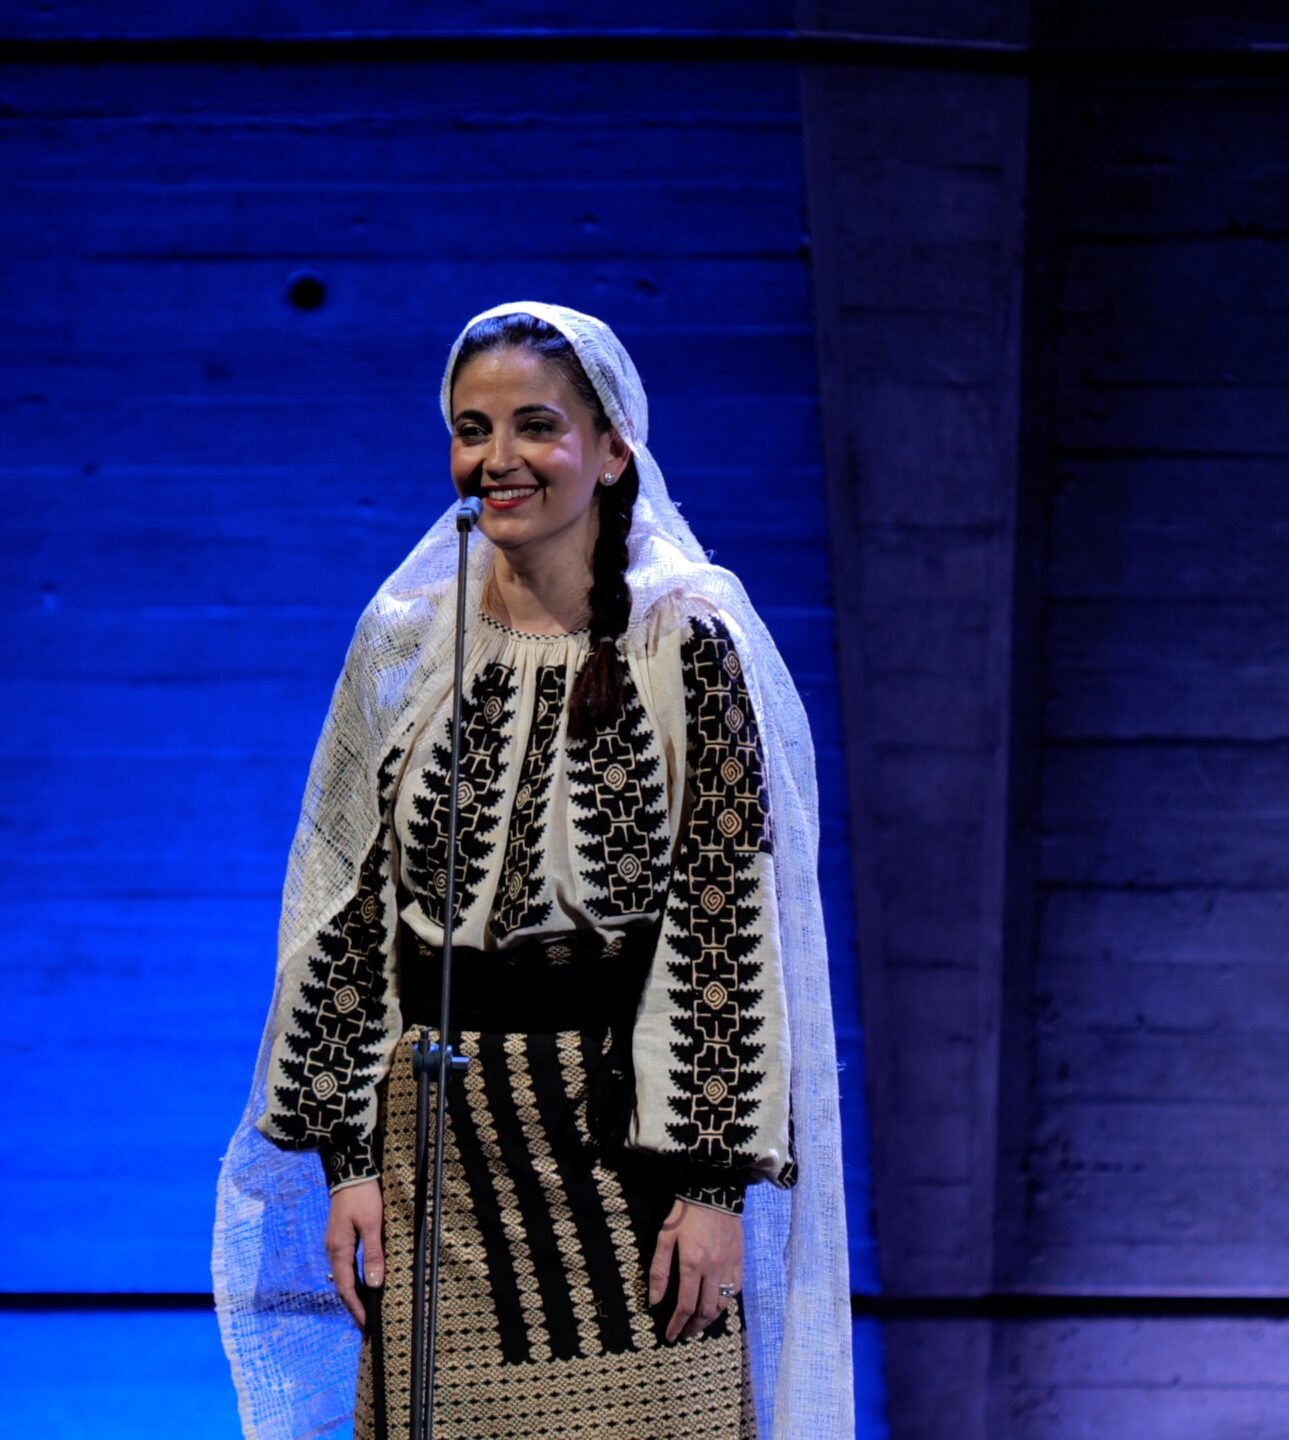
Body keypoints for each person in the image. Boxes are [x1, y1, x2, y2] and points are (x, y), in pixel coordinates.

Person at [214, 302, 852, 1439]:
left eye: (535, 426)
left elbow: (722, 913)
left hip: (627, 1159)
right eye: (473, 429)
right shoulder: (410, 637)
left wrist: (713, 1187)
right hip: (435, 1158)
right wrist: (350, 1161)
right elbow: (349, 908)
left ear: (611, 451)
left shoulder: (684, 640)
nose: (497, 458)